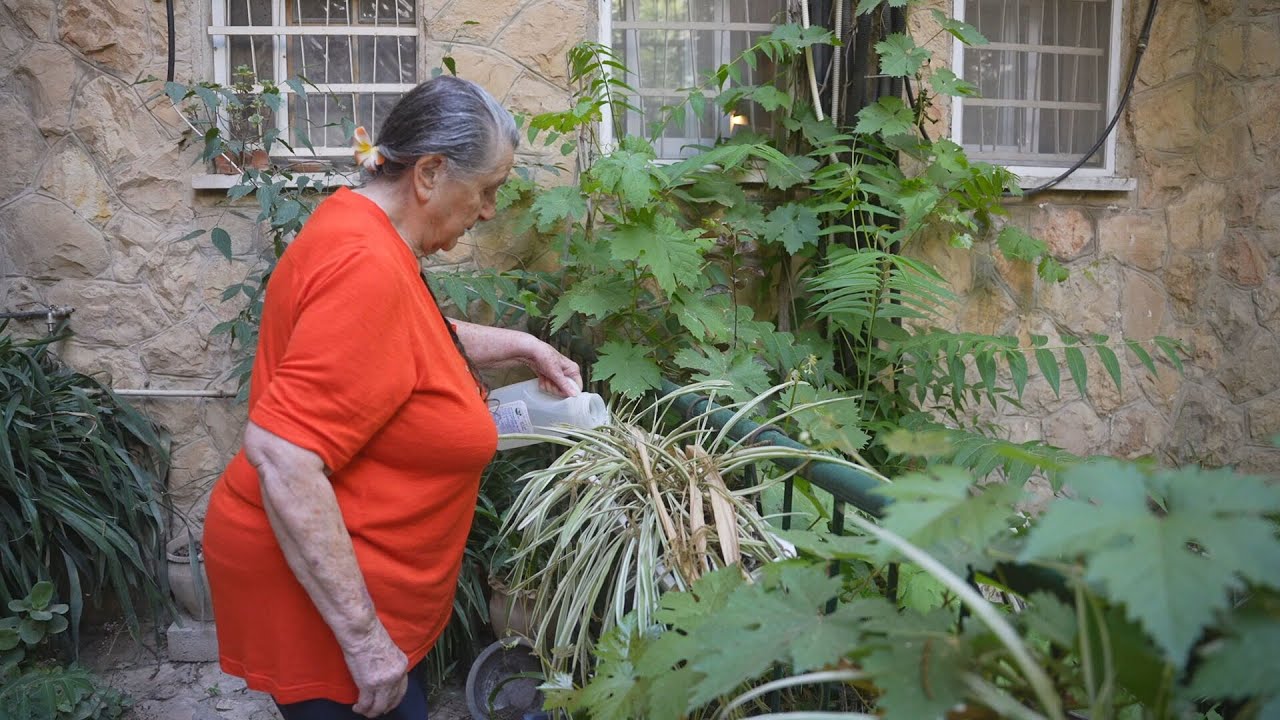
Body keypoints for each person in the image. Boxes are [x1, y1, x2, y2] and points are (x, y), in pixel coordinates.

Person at [202, 76, 582, 720]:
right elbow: (284, 456)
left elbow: (404, 333)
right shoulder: (367, 266)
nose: (489, 209)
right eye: (487, 189)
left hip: (341, 582)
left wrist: (522, 344)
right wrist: (365, 642)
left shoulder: (359, 226)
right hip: (323, 606)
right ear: (430, 173)